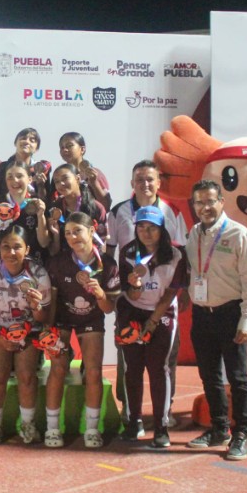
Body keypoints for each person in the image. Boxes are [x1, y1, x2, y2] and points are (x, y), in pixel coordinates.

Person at [183, 180, 247, 461]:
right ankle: (219, 429)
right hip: (202, 315)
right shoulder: (194, 234)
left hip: (231, 313)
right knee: (210, 376)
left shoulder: (240, 235)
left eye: (210, 201)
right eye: (199, 202)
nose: (205, 207)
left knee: (238, 378)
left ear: (221, 202)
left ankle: (242, 435)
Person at [106, 160, 187, 422]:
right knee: (128, 353)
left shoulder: (171, 210)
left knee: (165, 355)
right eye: (139, 179)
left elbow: (182, 254)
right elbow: (110, 252)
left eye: (150, 179)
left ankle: (167, 409)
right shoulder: (118, 211)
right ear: (132, 183)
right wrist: (115, 289)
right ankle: (129, 411)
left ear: (158, 182)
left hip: (164, 294)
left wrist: (182, 291)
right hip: (131, 296)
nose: (145, 184)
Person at [44, 212, 121, 448]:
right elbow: (53, 300)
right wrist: (49, 329)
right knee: (57, 369)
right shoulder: (58, 262)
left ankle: (91, 428)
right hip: (63, 319)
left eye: (77, 231)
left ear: (92, 230)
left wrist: (99, 294)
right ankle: (52, 428)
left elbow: (108, 309)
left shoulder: (107, 264)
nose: (72, 236)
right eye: (68, 233)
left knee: (94, 372)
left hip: (92, 320)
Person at [0, 225, 52, 445]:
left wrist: (36, 306)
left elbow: (43, 316)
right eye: (6, 247)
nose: (11, 252)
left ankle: (28, 425)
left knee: (26, 376)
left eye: (17, 247)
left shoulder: (38, 274)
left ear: (26, 249)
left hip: (29, 330)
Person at [116, 206, 185, 447]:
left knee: (159, 369)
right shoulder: (127, 252)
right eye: (141, 227)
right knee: (132, 369)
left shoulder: (176, 255)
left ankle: (160, 427)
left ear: (162, 230)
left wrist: (153, 323)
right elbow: (131, 296)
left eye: (152, 228)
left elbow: (171, 293)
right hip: (132, 311)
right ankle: (134, 422)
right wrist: (134, 284)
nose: (146, 232)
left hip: (163, 312)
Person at [0, 162, 51, 267]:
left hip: (30, 265)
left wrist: (41, 216)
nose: (15, 180)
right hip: (0, 264)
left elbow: (44, 243)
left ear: (30, 179)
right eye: (10, 177)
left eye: (19, 176)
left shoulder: (37, 204)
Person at [46, 163, 108, 258]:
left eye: (65, 178)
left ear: (78, 179)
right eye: (57, 181)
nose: (61, 184)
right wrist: (56, 235)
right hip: (64, 265)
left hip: (90, 263)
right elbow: (53, 251)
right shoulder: (54, 209)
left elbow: (102, 244)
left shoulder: (96, 208)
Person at [0, 128, 51, 204]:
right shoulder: (3, 167)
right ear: (15, 143)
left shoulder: (40, 169)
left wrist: (40, 185)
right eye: (23, 138)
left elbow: (46, 198)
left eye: (32, 140)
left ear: (37, 148)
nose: (26, 141)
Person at [56, 132, 112, 210]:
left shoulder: (95, 173)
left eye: (69, 146)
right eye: (62, 147)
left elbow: (106, 206)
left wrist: (94, 182)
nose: (65, 150)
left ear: (82, 149)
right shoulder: (59, 177)